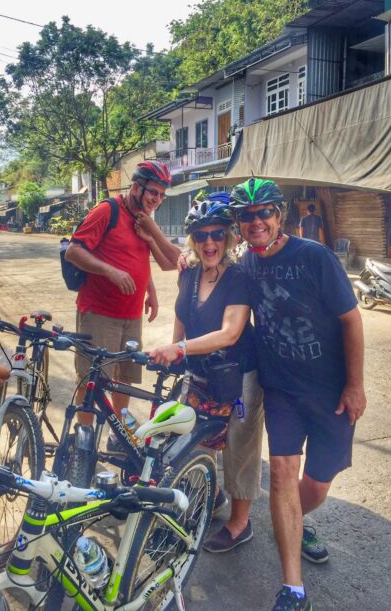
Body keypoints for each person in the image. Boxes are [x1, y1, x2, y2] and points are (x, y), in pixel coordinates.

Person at [229, 177, 366, 611]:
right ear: (239, 223)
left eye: (264, 213)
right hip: (281, 389)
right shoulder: (246, 265)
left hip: (329, 391)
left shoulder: (314, 256)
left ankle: (293, 521)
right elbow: (219, 294)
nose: (256, 223)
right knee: (284, 472)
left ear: (278, 215)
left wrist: (355, 385)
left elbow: (351, 321)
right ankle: (294, 589)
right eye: (247, 216)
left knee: (317, 486)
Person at [149, 193, 264, 553]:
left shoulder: (239, 276)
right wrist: (175, 351)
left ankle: (239, 523)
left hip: (239, 375)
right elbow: (182, 313)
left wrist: (179, 349)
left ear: (229, 236)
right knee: (197, 440)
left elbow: (230, 332)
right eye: (201, 236)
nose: (209, 243)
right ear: (193, 239)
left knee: (238, 448)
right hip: (199, 373)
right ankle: (209, 496)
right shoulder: (190, 272)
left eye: (216, 234)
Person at [65, 161, 180, 443]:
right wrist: (110, 271)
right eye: (153, 192)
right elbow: (73, 251)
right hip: (100, 312)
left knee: (125, 377)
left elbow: (147, 259)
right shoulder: (108, 211)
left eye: (162, 195)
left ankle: (117, 433)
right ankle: (86, 436)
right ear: (137, 187)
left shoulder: (143, 219)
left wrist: (150, 289)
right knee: (92, 379)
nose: (156, 199)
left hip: (131, 314)